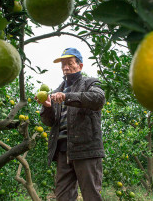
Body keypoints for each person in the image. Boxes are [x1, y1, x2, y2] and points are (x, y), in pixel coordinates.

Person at [36, 48, 106, 201]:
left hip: (86, 149)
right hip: (63, 151)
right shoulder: (57, 91)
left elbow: (98, 99)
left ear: (80, 66)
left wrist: (67, 97)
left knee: (91, 196)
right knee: (63, 197)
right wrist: (47, 107)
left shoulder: (90, 83)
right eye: (63, 65)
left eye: (69, 63)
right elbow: (49, 122)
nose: (65, 68)